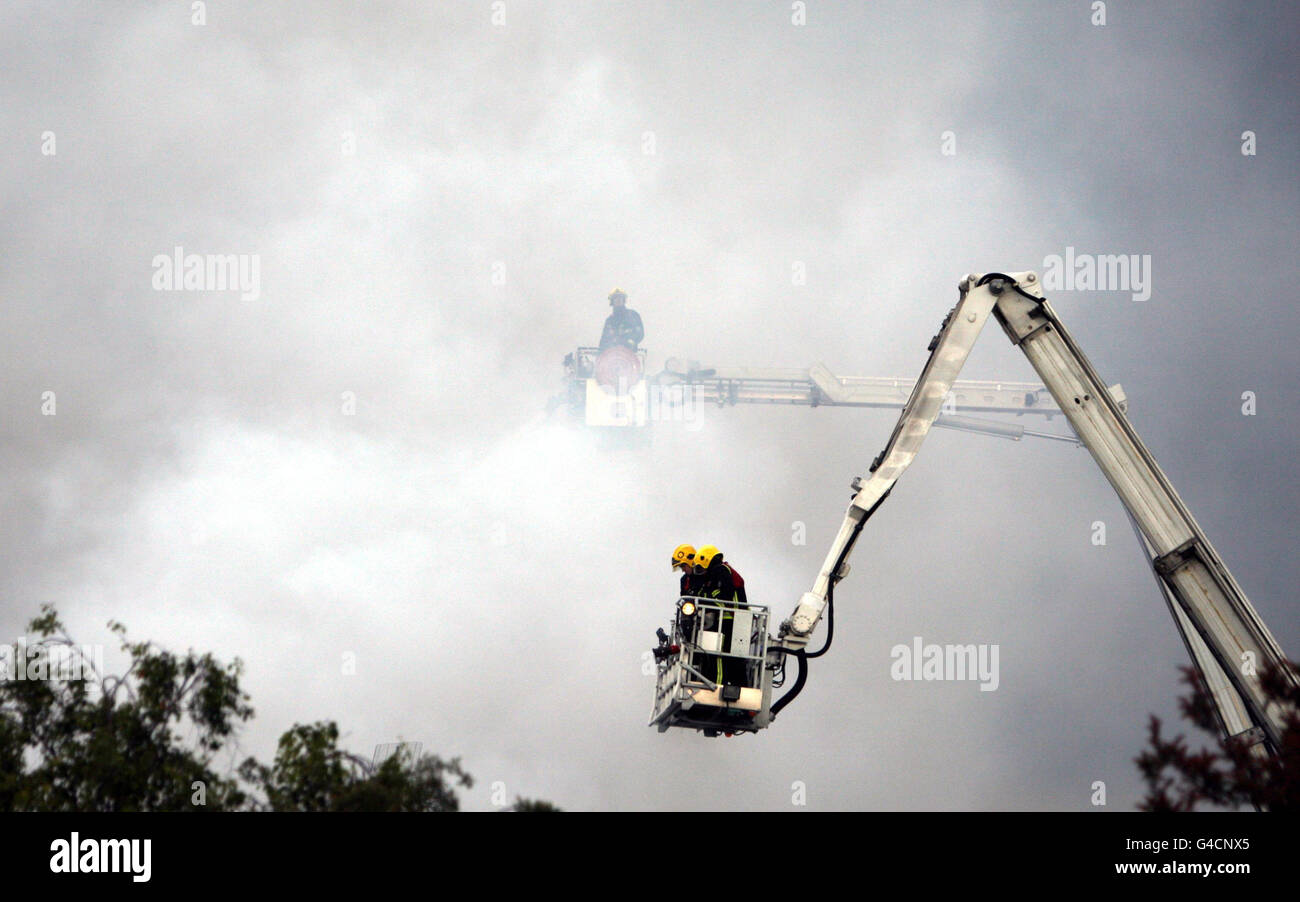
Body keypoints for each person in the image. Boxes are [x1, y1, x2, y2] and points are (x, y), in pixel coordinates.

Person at [691, 545, 750, 688]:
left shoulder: (721, 571)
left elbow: (724, 595)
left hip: (730, 619)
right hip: (737, 620)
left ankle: (716, 685)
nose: (701, 571)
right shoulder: (721, 571)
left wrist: (706, 602)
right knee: (736, 658)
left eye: (701, 567)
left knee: (718, 655)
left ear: (707, 560)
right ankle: (740, 685)